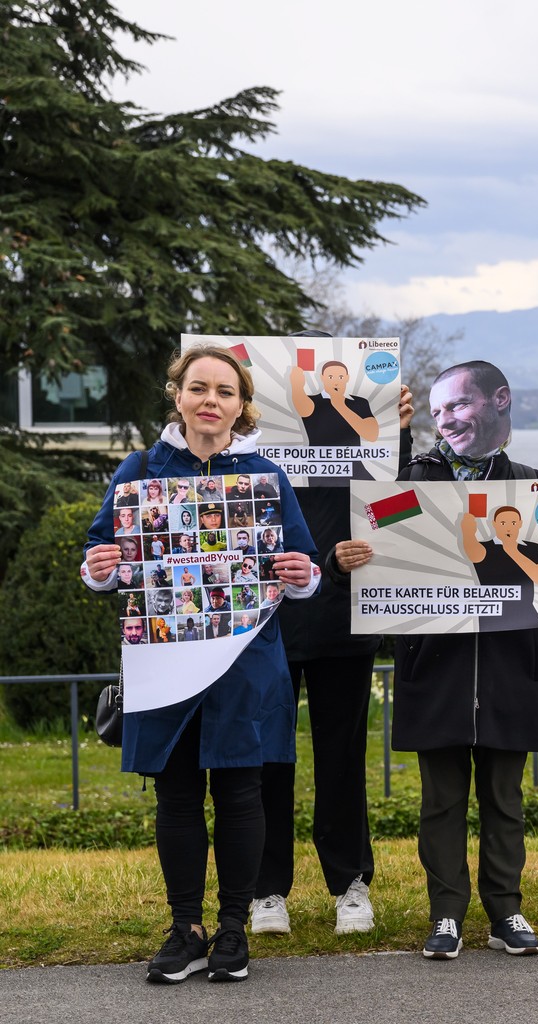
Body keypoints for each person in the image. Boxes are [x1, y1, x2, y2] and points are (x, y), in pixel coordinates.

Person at [330, 358, 538, 961]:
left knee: (506, 800)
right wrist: (340, 560)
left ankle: (506, 911)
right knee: (441, 802)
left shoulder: (534, 489)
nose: (446, 419)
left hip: (511, 673)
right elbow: (373, 557)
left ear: (499, 401)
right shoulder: (407, 484)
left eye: (459, 405)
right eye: (438, 409)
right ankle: (446, 914)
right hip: (435, 673)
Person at [80, 345, 318, 984]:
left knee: (242, 791)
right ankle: (186, 927)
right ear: (177, 395)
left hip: (243, 660)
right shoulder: (140, 468)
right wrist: (99, 569)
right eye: (199, 388)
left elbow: (303, 563)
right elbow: (101, 549)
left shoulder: (264, 473)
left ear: (241, 406)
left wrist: (303, 575)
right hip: (165, 658)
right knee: (178, 794)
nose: (211, 400)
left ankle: (234, 929)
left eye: (225, 391)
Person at [253, 335, 413, 940]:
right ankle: (267, 889)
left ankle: (350, 883)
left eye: (344, 377)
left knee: (341, 760)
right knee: (268, 757)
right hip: (268, 619)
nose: (336, 386)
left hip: (347, 617)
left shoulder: (371, 426)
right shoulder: (260, 442)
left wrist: (397, 433)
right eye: (326, 379)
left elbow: (400, 508)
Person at [459, 505, 538, 631]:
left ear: (520, 523)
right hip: (493, 621)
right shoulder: (485, 548)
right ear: (494, 524)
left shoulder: (532, 548)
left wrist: (513, 551)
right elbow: (474, 553)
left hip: (527, 621)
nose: (508, 527)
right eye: (503, 523)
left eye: (513, 522)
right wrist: (468, 533)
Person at [290, 359, 380, 446]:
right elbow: (304, 410)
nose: (336, 382)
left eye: (340, 377)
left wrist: (340, 405)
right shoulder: (312, 401)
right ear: (322, 378)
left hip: (352, 460)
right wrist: (297, 386)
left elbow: (372, 436)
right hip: (320, 460)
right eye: (330, 377)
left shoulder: (359, 402)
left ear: (347, 378)